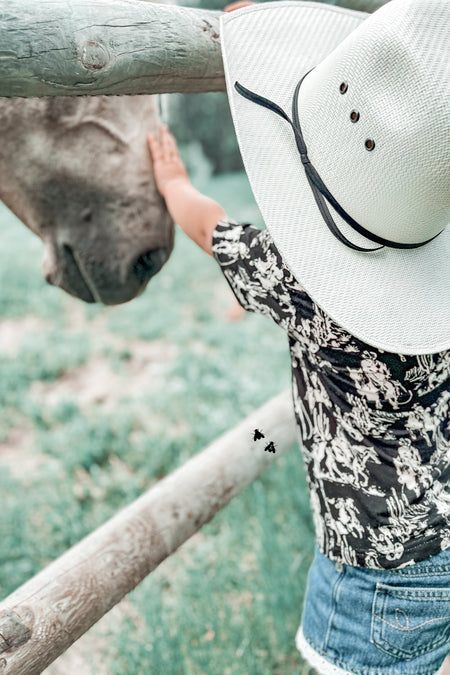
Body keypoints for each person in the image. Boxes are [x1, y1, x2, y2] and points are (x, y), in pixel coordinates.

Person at [148, 0, 450, 672]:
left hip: (364, 576)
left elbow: (212, 230)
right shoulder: (435, 294)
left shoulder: (300, 285)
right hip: (439, 548)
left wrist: (173, 184)